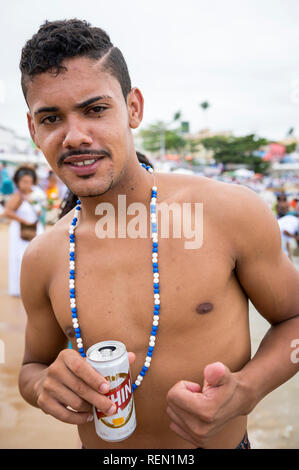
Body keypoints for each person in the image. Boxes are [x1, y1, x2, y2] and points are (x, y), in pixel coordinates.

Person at [18, 19, 299, 450]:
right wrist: (41, 387)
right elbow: (31, 367)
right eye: (52, 118)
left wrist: (247, 390)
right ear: (34, 130)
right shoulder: (42, 257)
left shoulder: (228, 213)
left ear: (133, 108)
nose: (75, 136)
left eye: (95, 109)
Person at [4, 166, 44, 296]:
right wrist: (23, 221)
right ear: (18, 182)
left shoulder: (35, 194)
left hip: (35, 228)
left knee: (36, 258)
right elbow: (7, 212)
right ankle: (19, 288)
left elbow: (40, 211)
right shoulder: (17, 196)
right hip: (19, 230)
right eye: (24, 181)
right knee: (20, 258)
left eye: (29, 181)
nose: (27, 184)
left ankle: (34, 288)